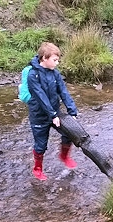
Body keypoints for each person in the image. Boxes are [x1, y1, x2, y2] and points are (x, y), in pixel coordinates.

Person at [25, 42, 79, 181]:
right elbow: (41, 97)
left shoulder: (55, 73)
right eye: (55, 60)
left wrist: (72, 111)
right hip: (39, 116)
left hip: (55, 112)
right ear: (44, 58)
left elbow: (63, 92)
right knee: (41, 145)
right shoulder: (32, 75)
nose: (57, 63)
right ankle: (37, 169)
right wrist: (52, 115)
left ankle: (64, 156)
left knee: (70, 133)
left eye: (57, 60)